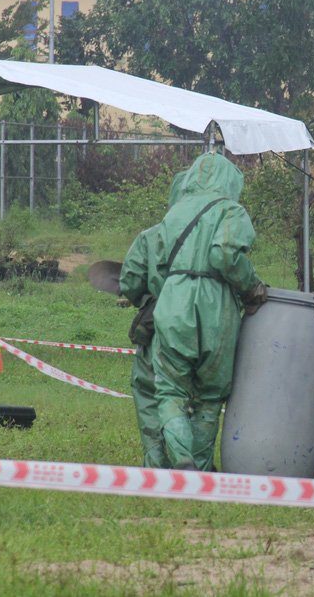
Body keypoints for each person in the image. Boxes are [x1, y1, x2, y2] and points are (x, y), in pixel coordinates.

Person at [150, 152, 267, 471]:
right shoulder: (232, 210)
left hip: (174, 301)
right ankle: (199, 471)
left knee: (170, 390)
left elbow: (159, 266)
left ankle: (181, 455)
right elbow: (225, 256)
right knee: (210, 398)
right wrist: (252, 286)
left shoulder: (173, 214)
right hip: (217, 309)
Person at [119, 170, 188, 469]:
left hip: (162, 327)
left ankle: (158, 460)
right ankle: (197, 458)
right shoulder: (219, 234)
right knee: (203, 399)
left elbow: (130, 281)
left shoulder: (150, 236)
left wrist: (146, 300)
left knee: (148, 389)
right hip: (210, 330)